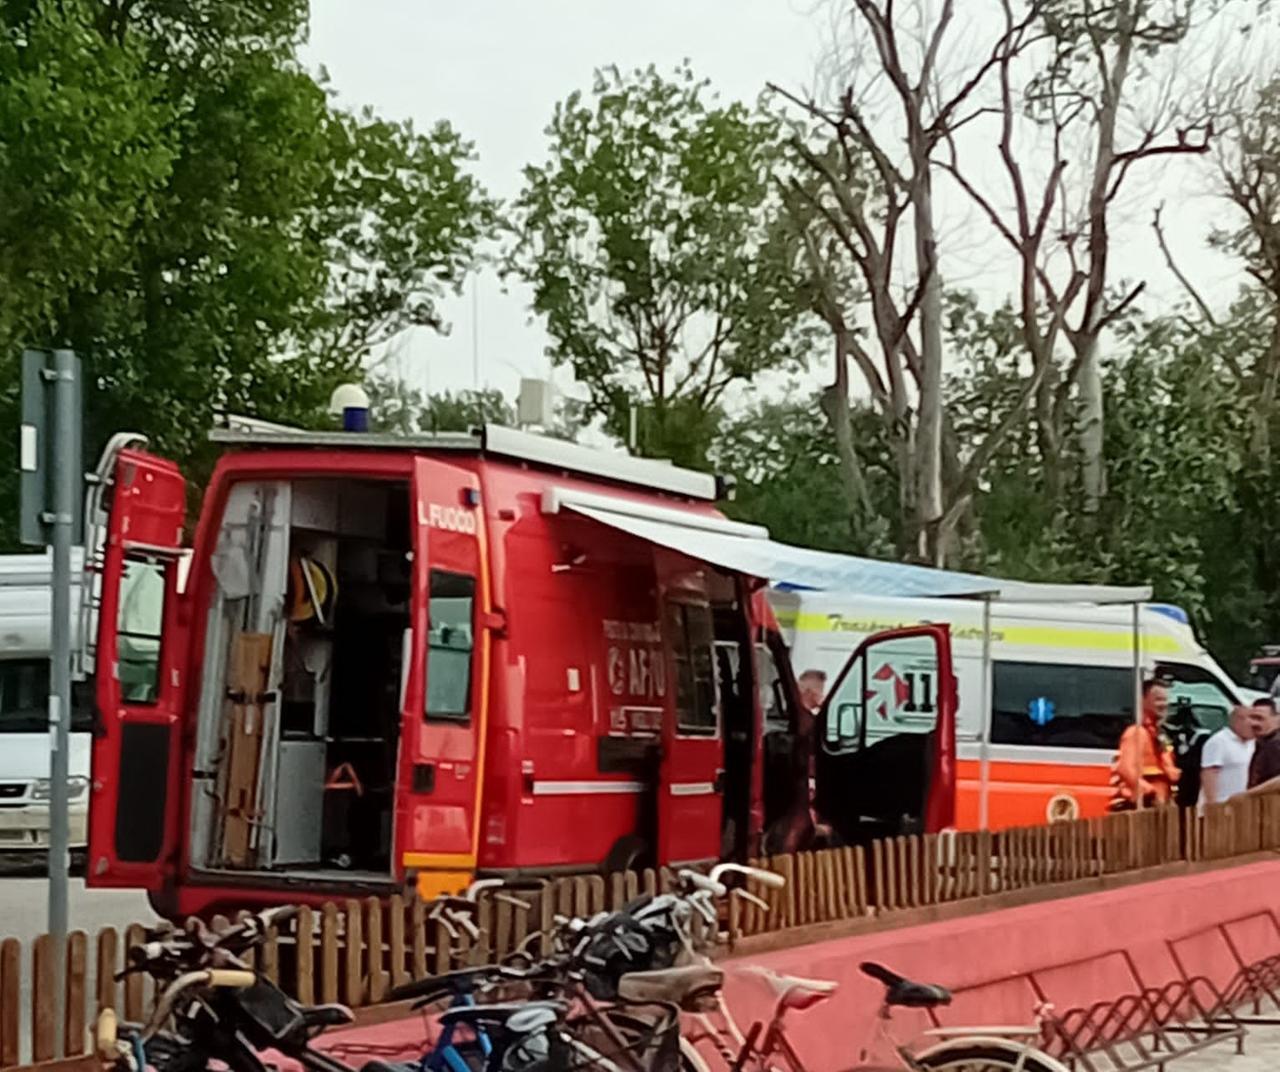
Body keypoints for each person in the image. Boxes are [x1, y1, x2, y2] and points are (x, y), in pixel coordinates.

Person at [1108, 679, 1180, 811]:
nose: (1164, 704)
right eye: (1158, 699)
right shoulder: (1136, 733)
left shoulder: (1159, 734)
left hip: (1158, 805)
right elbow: (1125, 769)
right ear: (1143, 701)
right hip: (1139, 806)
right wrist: (1149, 793)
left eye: (1165, 700)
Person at [1199, 704, 1259, 807]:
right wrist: (1212, 805)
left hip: (1243, 806)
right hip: (1222, 805)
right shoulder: (1218, 741)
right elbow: (1209, 773)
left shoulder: (1253, 743)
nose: (1255, 725)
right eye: (1251, 720)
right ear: (1237, 721)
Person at [1247, 696, 1280, 794]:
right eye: (1252, 718)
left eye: (1259, 718)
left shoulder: (1275, 746)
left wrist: (1248, 795)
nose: (1254, 723)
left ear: (1277, 719)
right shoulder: (1262, 743)